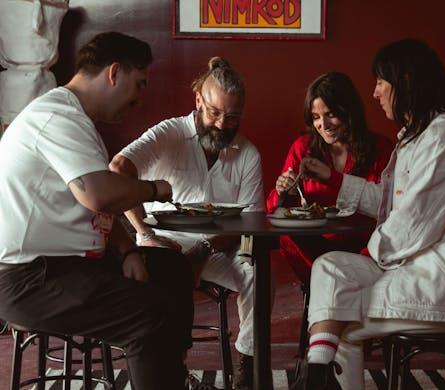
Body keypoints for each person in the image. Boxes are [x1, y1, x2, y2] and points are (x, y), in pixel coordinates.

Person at [291, 38, 445, 390]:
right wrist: (335, 180)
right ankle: (318, 373)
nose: (375, 93)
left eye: (379, 82)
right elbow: (392, 206)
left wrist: (369, 253)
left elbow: (413, 224)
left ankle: (316, 374)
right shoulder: (418, 136)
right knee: (328, 266)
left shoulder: (442, 138)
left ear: (403, 83)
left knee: (340, 318)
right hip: (417, 266)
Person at [0, 32, 195, 390]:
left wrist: (128, 250)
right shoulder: (56, 117)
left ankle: (172, 374)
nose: (137, 98)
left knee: (173, 270)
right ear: (114, 73)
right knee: (150, 312)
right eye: (138, 84)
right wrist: (155, 189)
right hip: (28, 279)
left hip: (65, 264)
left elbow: (93, 207)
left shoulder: (74, 119)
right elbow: (99, 196)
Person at [109, 56, 265, 390]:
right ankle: (172, 373)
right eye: (215, 113)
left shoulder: (248, 154)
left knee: (259, 273)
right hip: (163, 243)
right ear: (198, 101)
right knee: (165, 278)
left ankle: (248, 367)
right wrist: (143, 233)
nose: (223, 124)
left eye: (233, 116)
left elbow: (252, 223)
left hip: (219, 247)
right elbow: (119, 167)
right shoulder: (170, 133)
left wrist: (204, 251)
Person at [266, 72, 393, 286]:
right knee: (286, 236)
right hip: (316, 247)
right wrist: (282, 192)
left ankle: (333, 295)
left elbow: (389, 207)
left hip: (367, 246)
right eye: (315, 117)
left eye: (331, 114)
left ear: (349, 112)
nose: (323, 124)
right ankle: (324, 288)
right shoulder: (303, 148)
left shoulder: (381, 148)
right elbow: (275, 211)